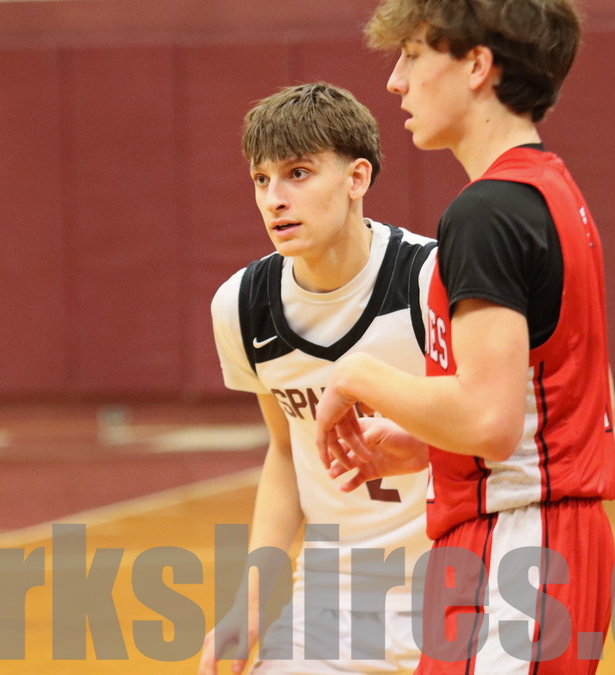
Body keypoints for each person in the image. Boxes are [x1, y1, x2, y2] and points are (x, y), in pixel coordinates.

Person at [313, 1, 615, 673]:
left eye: (414, 55)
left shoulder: (488, 212)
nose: (396, 80)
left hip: (520, 544)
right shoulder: (552, 192)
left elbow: (489, 422)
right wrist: (431, 446)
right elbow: (556, 400)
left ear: (477, 65)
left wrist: (358, 374)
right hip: (539, 536)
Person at [200, 82, 437, 675]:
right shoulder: (242, 305)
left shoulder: (431, 280)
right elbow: (286, 452)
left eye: (298, 174)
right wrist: (250, 605)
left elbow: (502, 424)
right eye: (261, 179)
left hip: (460, 584)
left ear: (357, 178)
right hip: (330, 605)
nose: (274, 199)